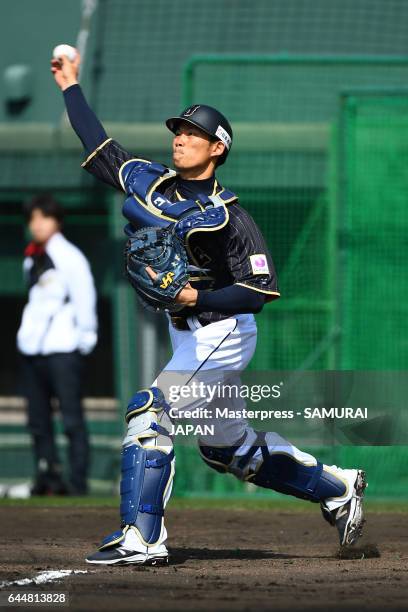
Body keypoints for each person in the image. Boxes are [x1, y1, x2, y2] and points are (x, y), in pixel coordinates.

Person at [51, 52, 366, 565]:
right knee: (227, 449)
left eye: (193, 133)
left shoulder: (230, 217)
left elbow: (259, 291)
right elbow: (99, 144)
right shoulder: (149, 181)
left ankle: (141, 539)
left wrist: (198, 295)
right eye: (178, 129)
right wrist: (70, 85)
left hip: (222, 332)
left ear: (217, 148)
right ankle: (338, 487)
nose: (180, 137)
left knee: (150, 413)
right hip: (187, 334)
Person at [18, 194, 98, 495]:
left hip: (64, 351)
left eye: (44, 217)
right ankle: (48, 479)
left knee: (72, 420)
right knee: (38, 421)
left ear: (57, 221)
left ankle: (77, 485)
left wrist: (83, 342)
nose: (37, 224)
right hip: (32, 351)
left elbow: (84, 301)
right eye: (33, 218)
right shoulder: (31, 257)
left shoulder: (71, 257)